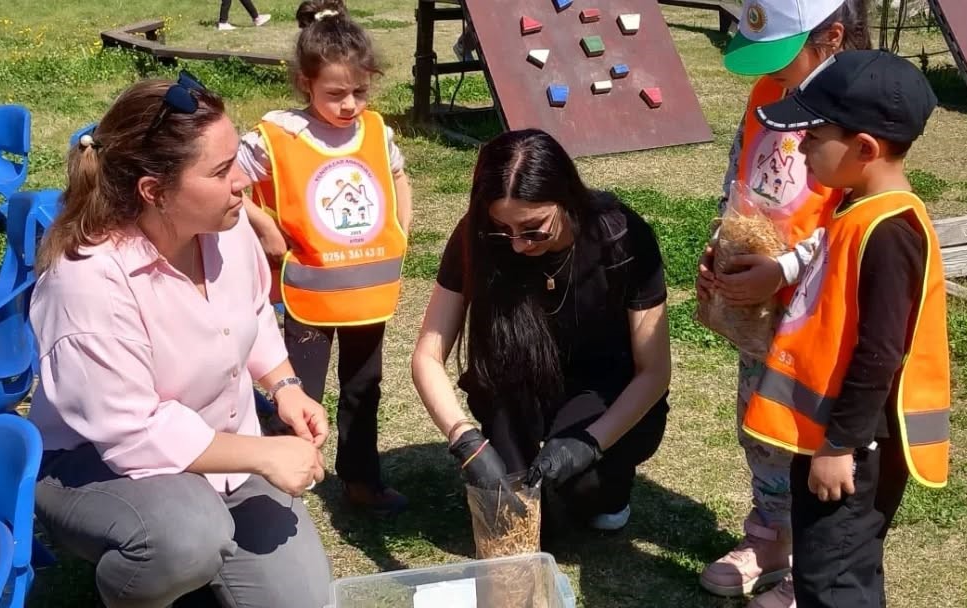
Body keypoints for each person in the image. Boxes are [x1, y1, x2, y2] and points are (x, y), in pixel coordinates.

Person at [29, 75, 332, 608]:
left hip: (222, 447)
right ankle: (139, 589)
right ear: (154, 191)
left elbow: (255, 314)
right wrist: (262, 454)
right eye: (220, 171)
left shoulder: (226, 227)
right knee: (185, 539)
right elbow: (131, 433)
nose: (242, 181)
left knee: (303, 601)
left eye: (235, 158)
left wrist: (285, 385)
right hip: (93, 462)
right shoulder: (88, 280)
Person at [747, 49, 949, 608]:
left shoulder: (890, 231)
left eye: (815, 135)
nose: (803, 145)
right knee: (826, 569)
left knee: (834, 581)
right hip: (833, 439)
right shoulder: (857, 208)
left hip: (855, 447)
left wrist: (840, 446)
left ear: (864, 149)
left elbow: (881, 353)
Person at [696, 1, 871, 605]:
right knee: (760, 418)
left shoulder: (858, 109)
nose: (773, 73)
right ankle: (770, 536)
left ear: (832, 37)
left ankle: (813, 562)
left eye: (783, 55)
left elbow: (857, 213)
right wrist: (722, 243)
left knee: (806, 425)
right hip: (756, 301)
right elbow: (741, 172)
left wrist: (786, 268)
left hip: (817, 304)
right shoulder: (770, 91)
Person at [411, 129, 671, 532]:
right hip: (517, 382)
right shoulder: (477, 235)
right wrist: (464, 439)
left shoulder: (620, 237)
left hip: (603, 388)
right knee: (517, 515)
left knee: (580, 491)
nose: (517, 245)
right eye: (504, 229)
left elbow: (654, 372)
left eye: (533, 229)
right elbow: (428, 356)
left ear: (567, 197)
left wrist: (590, 442)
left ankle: (611, 483)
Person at [240, 0, 414, 516]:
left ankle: (361, 481)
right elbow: (229, 181)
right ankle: (278, 486)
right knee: (300, 392)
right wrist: (266, 227)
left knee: (364, 389)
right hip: (307, 294)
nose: (350, 105)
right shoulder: (277, 135)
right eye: (336, 94)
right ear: (304, 83)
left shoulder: (377, 131)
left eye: (360, 92)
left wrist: (401, 227)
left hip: (366, 294)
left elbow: (397, 176)